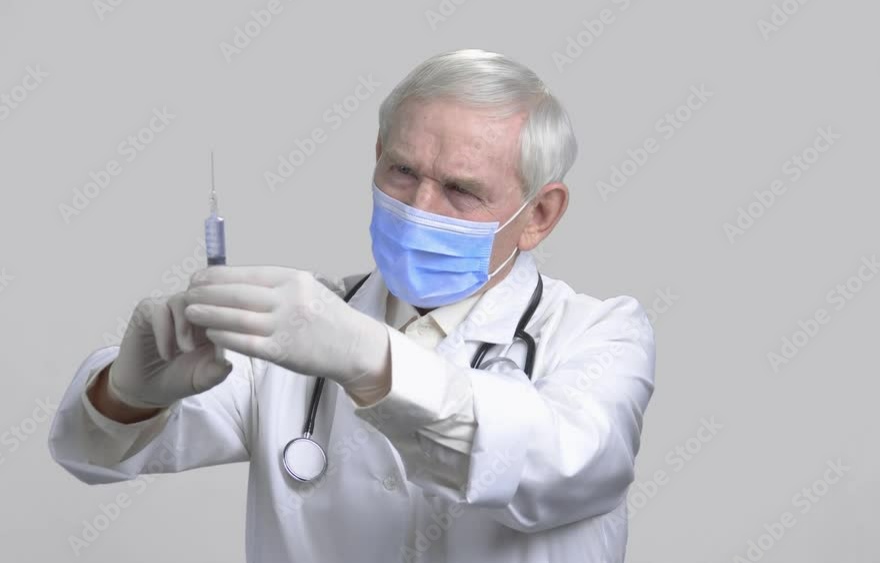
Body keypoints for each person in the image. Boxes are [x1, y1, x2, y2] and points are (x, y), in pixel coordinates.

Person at [48, 48, 656, 563]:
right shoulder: (295, 329)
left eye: (461, 189)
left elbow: (562, 468)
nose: (418, 206)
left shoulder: (600, 334)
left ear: (540, 215)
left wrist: (368, 358)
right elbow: (93, 452)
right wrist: (129, 393)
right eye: (402, 170)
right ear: (377, 155)